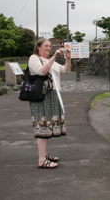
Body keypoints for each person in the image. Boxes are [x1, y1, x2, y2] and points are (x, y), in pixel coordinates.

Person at [28, 38, 71, 169]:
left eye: (50, 46)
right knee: (42, 127)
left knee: (48, 127)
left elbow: (65, 70)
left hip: (53, 95)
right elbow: (42, 71)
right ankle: (41, 160)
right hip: (42, 96)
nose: (49, 48)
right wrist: (54, 57)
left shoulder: (50, 61)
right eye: (46, 46)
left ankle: (44, 155)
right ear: (38, 47)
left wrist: (68, 58)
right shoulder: (34, 58)